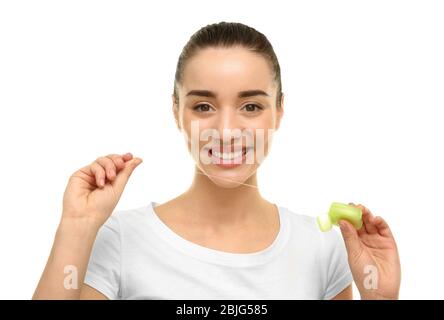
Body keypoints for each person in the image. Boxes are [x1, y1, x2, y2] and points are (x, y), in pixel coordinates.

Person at [33, 22, 401, 300]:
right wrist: (77, 227)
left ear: (279, 112)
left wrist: (379, 298)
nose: (226, 131)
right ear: (177, 112)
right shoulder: (122, 239)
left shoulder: (322, 248)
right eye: (204, 106)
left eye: (251, 106)